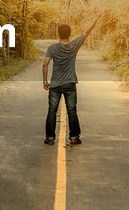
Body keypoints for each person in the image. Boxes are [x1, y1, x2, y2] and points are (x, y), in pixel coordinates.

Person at [42, 16, 99, 145]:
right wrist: (96, 17)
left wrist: (45, 82)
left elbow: (45, 64)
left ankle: (50, 138)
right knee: (72, 110)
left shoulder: (52, 48)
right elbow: (87, 31)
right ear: (70, 34)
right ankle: (74, 137)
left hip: (55, 85)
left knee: (52, 111)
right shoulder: (74, 45)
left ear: (58, 34)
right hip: (70, 83)